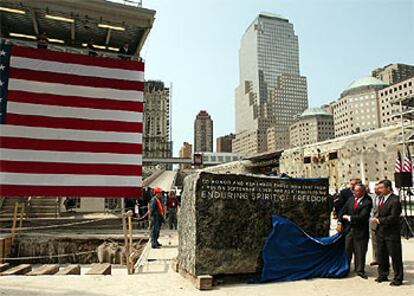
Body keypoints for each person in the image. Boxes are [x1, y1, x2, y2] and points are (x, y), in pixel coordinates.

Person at [372, 179, 404, 286]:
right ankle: (383, 274)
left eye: (381, 188)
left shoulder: (395, 200)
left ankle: (398, 277)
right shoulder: (381, 198)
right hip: (381, 232)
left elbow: (393, 217)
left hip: (391, 233)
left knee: (395, 256)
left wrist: (379, 220)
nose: (379, 190)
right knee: (381, 254)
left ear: (388, 188)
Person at [337, 183, 372, 279]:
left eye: (357, 191)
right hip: (349, 230)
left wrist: (349, 217)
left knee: (360, 250)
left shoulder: (367, 202)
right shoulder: (351, 199)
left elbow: (363, 217)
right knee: (347, 249)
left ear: (362, 191)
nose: (355, 193)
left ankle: (359, 270)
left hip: (360, 230)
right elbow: (342, 211)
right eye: (354, 191)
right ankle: (346, 267)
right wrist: (340, 222)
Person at [369, 183, 381, 266]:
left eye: (377, 189)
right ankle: (376, 258)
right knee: (374, 242)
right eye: (375, 189)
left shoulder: (386, 199)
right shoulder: (372, 197)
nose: (375, 190)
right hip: (373, 224)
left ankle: (383, 259)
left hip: (382, 223)